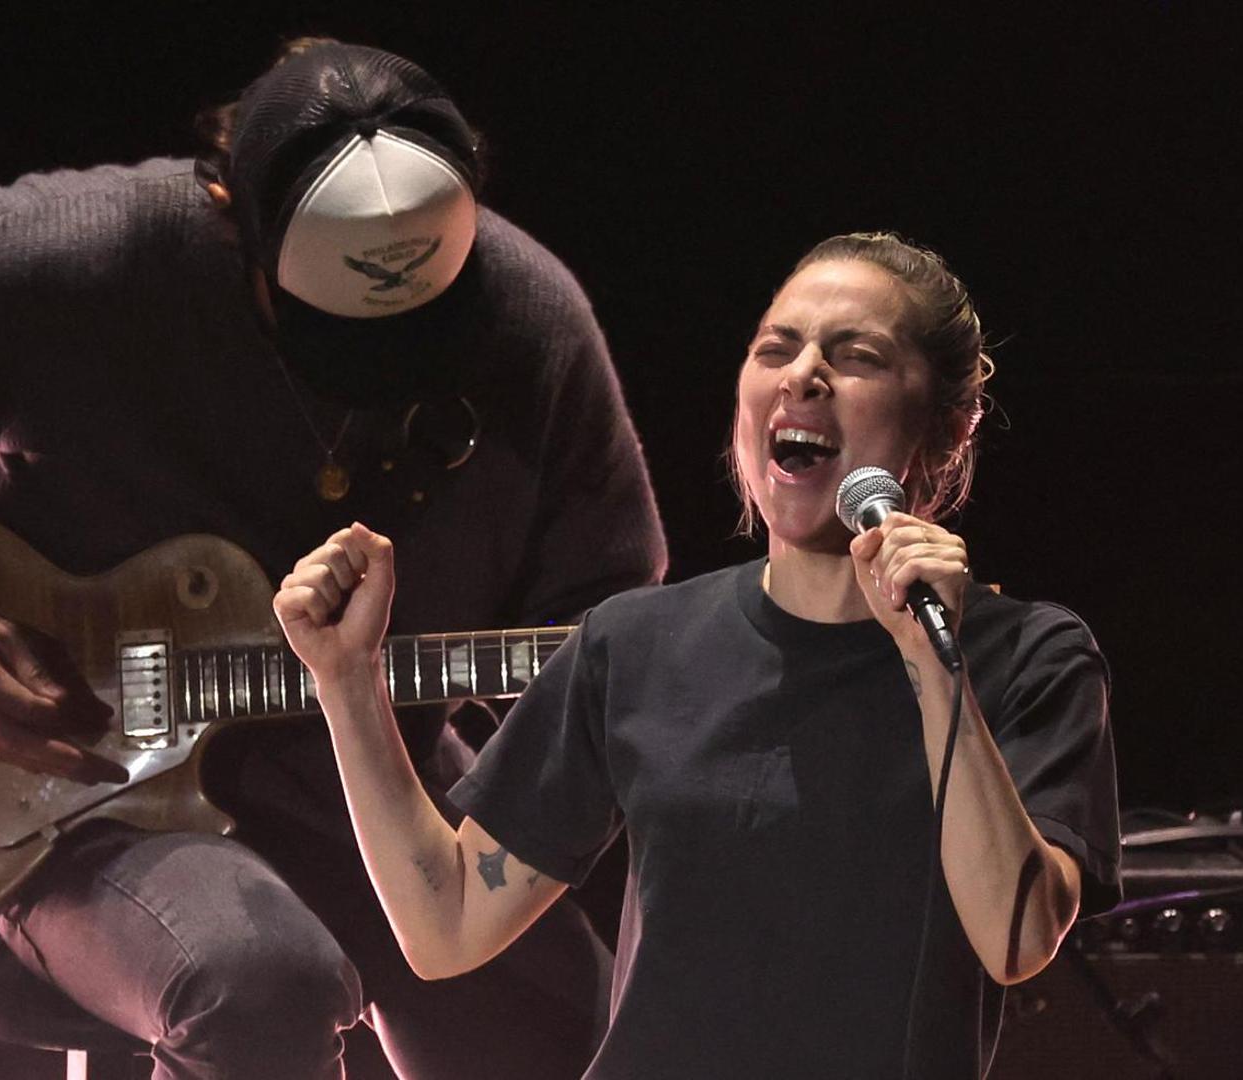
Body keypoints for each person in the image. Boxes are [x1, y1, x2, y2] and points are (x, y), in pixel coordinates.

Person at [0, 40, 667, 1080]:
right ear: (233, 223)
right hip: (68, 794)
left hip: (369, 775)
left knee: (587, 1032)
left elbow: (605, 631)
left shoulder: (528, 321)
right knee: (258, 983)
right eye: (325, 338)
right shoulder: (92, 256)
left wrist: (513, 849)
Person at [277, 233, 1121, 1078]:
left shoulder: (1026, 658)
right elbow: (448, 923)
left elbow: (1017, 938)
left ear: (943, 427)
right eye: (776, 349)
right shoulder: (637, 645)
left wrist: (931, 664)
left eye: (856, 356)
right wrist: (347, 681)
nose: (802, 375)